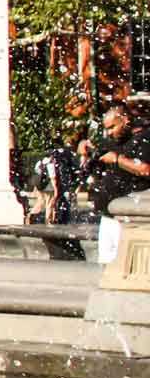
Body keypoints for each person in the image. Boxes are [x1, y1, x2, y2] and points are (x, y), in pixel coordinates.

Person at [88, 103, 150, 264]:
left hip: (128, 216)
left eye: (112, 127)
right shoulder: (118, 141)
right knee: (105, 267)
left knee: (123, 266)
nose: (109, 133)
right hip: (109, 214)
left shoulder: (144, 139)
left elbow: (145, 169)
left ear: (125, 119)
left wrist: (116, 159)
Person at [36, 125, 86, 225]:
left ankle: (55, 219)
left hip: (56, 182)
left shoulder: (52, 154)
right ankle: (61, 220)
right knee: (60, 202)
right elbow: (72, 169)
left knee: (52, 202)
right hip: (61, 182)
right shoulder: (66, 154)